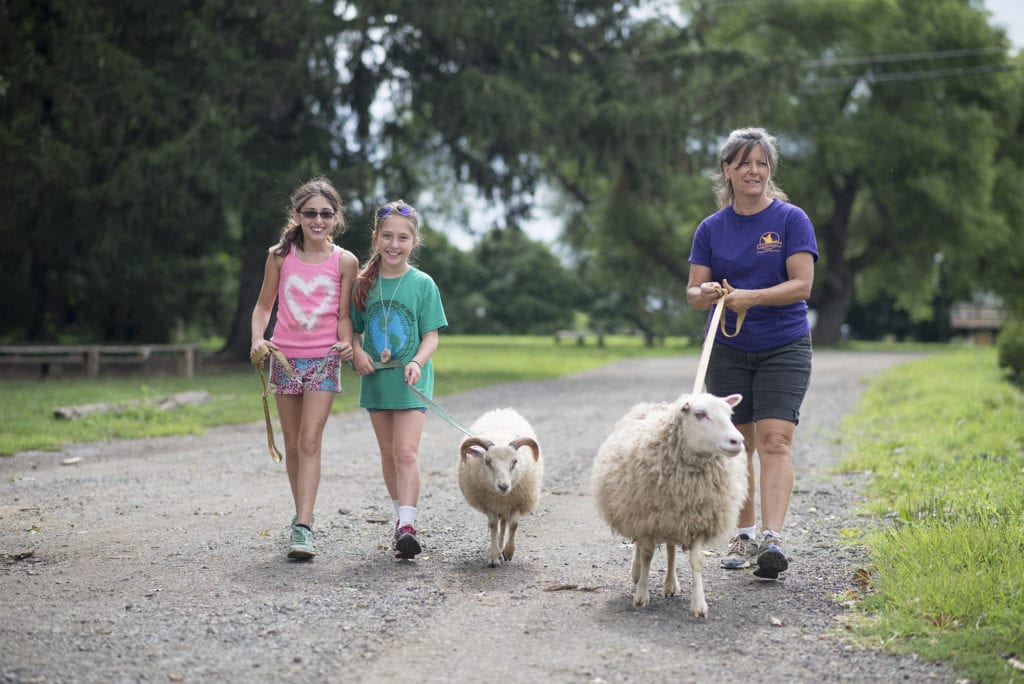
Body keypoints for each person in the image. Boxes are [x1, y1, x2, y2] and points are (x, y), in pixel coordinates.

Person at [686, 127, 818, 579]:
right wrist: (706, 292)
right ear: (727, 170)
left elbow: (802, 285)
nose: (754, 171)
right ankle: (742, 535)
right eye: (744, 163)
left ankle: (772, 540)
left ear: (770, 171)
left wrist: (751, 297)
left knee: (775, 439)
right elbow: (693, 291)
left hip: (784, 345)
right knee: (738, 445)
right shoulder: (711, 228)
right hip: (727, 348)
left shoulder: (790, 220)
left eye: (762, 163)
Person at [250, 177, 359, 560]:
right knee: (294, 445)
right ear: (297, 215)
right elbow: (264, 306)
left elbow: (344, 315)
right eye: (310, 213)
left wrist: (346, 342)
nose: (318, 220)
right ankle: (301, 514)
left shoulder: (345, 261)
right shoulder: (279, 256)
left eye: (325, 214)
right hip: (284, 359)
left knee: (311, 440)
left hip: (325, 360)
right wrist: (257, 338)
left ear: (336, 217)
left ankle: (304, 526)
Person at [351, 199, 447, 560]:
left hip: (411, 380)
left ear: (414, 241)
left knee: (406, 451)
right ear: (375, 238)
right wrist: (357, 352)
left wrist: (419, 362)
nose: (394, 244)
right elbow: (354, 331)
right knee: (388, 454)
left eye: (403, 238)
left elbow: (431, 335)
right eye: (388, 236)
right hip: (377, 380)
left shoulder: (422, 284)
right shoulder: (364, 284)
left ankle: (408, 523)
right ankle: (399, 519)